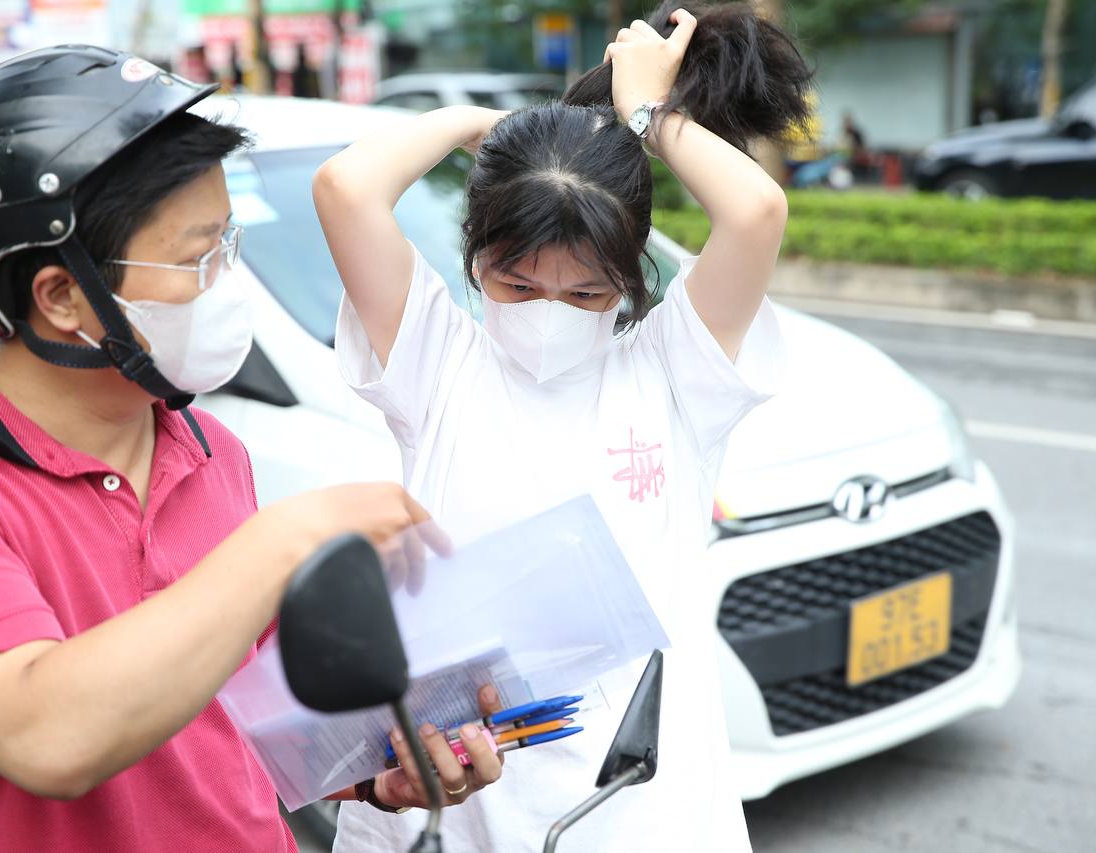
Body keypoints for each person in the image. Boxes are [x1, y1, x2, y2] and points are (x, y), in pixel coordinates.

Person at [0, 45, 503, 853]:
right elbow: (41, 735)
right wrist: (287, 541)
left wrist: (380, 763)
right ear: (62, 297)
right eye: (198, 256)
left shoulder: (209, 448)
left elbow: (244, 722)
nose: (226, 282)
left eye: (229, 244)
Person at [314, 1, 812, 850]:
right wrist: (486, 126)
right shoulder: (437, 363)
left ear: (631, 277)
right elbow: (346, 188)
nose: (551, 313)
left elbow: (757, 212)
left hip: (633, 805)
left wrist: (648, 117)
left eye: (587, 293)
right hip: (449, 799)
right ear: (473, 263)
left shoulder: (673, 372)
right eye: (516, 285)